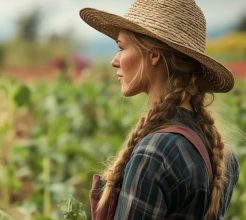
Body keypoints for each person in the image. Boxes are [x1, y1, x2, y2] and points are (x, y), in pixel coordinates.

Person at [79, 0, 239, 219]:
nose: (114, 61)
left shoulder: (154, 152)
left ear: (154, 55)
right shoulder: (221, 153)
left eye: (121, 48)